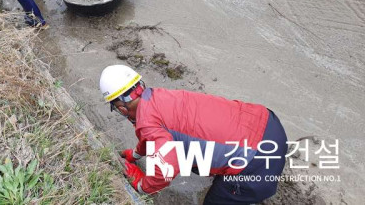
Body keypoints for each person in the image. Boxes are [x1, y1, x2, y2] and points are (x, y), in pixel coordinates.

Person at [99, 64, 288, 204]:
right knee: (188, 151)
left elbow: (165, 172)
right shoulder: (158, 97)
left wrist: (141, 185)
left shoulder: (148, 122)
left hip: (256, 163)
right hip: (266, 122)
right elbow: (154, 135)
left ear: (122, 108)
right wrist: (137, 154)